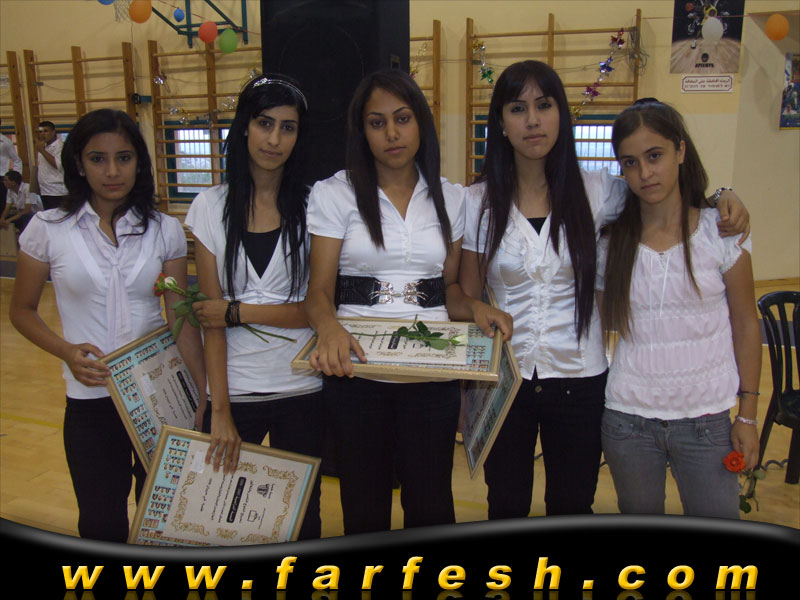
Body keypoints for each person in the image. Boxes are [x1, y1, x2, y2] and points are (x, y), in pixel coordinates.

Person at [456, 60, 749, 519]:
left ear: (561, 114)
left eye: (544, 105)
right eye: (517, 108)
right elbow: (462, 295)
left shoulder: (600, 191)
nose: (532, 120)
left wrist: (723, 196)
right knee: (505, 503)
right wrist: (475, 310)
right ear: (501, 122)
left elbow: (665, 193)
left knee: (573, 505)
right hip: (506, 380)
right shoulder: (477, 202)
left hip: (581, 377)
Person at [303, 69, 511, 535]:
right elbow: (317, 293)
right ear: (362, 131)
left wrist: (477, 308)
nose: (392, 133)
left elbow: (449, 290)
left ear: (421, 123)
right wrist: (330, 328)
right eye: (377, 123)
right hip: (356, 373)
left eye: (402, 118)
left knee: (431, 503)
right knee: (364, 507)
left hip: (430, 375)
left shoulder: (451, 197)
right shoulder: (335, 193)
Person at [9, 109, 206, 542]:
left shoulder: (165, 230)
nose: (113, 171)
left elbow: (179, 315)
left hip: (160, 396)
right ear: (79, 165)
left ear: (139, 162)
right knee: (101, 524)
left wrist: (200, 393)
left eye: (124, 158)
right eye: (98, 159)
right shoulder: (47, 228)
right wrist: (66, 351)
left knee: (164, 523)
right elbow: (21, 310)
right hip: (90, 399)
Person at [596, 98, 760, 518]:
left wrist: (747, 415)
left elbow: (745, 323)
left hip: (707, 421)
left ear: (681, 150)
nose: (645, 172)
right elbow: (598, 324)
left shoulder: (720, 233)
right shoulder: (611, 243)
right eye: (630, 162)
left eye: (655, 156)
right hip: (628, 420)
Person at [184, 73, 325, 540]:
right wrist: (219, 409)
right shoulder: (209, 206)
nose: (274, 139)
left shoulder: (316, 206)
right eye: (265, 123)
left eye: (288, 127)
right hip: (236, 391)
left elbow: (318, 309)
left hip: (302, 387)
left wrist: (237, 311)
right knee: (224, 520)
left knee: (302, 519)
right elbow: (211, 321)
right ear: (245, 126)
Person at [35, 120, 68, 210]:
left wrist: (42, 150)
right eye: (40, 132)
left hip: (57, 191)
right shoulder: (43, 146)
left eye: (46, 131)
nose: (42, 134)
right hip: (44, 190)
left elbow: (58, 165)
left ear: (53, 132)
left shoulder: (60, 147)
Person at [0, 170, 42, 235]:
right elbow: (7, 206)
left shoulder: (29, 188)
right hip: (21, 214)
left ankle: (25, 235)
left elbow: (27, 210)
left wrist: (9, 220)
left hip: (35, 215)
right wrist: (2, 218)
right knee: (4, 219)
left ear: (13, 183)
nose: (4, 182)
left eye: (6, 180)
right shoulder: (10, 190)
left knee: (25, 217)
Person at [0, 118, 24, 214]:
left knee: (1, 205)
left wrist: (15, 177)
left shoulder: (5, 141)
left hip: (1, 177)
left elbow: (17, 160)